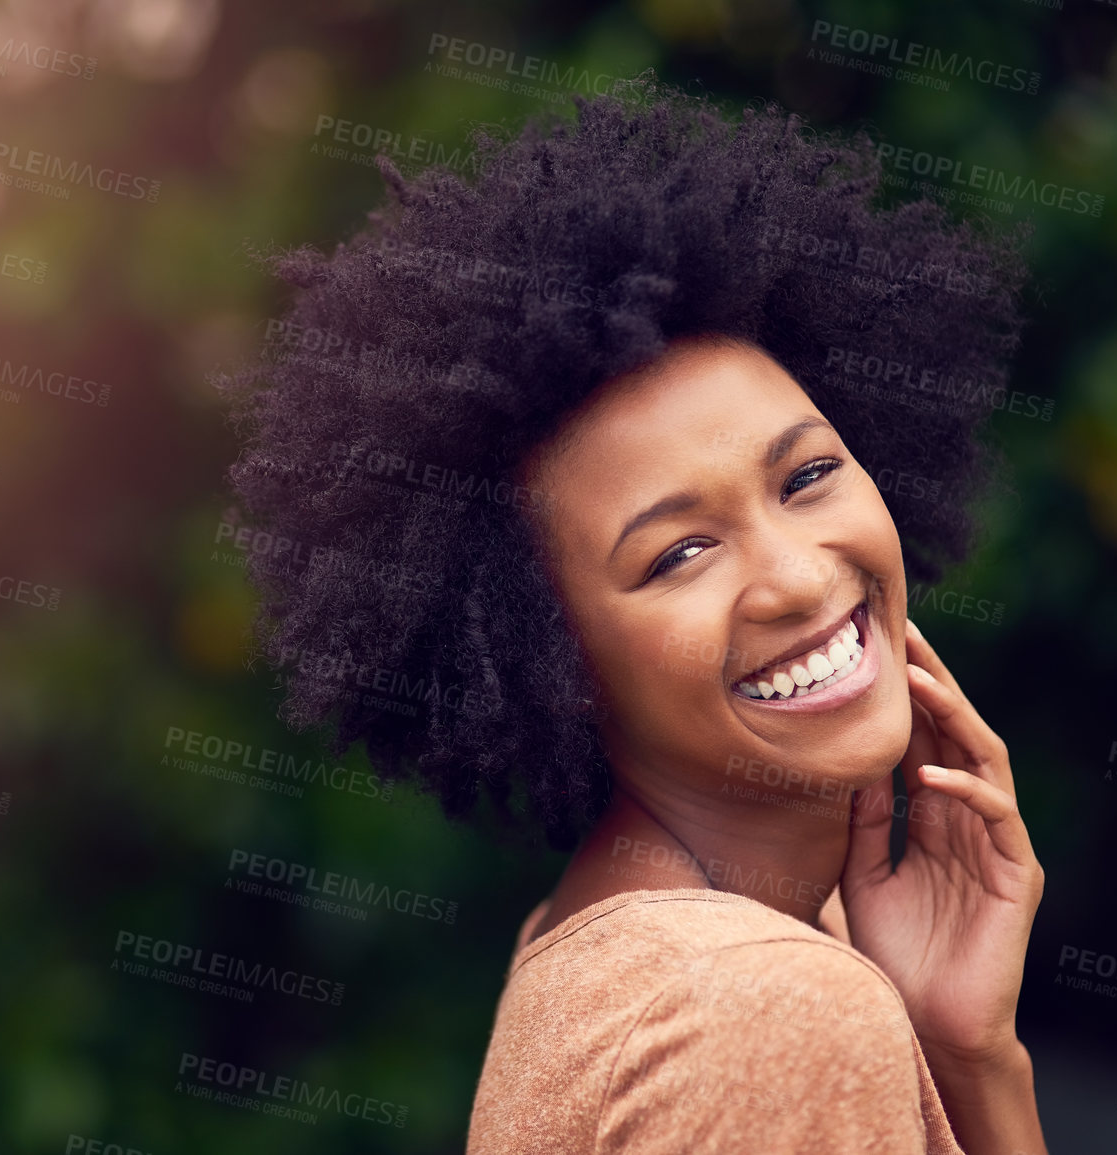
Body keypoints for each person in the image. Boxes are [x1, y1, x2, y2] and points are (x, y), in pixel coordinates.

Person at [218, 79, 1046, 1154]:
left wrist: (971, 1053)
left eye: (805, 477)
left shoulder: (627, 942)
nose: (795, 577)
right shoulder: (763, 1010)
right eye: (680, 553)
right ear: (550, 657)